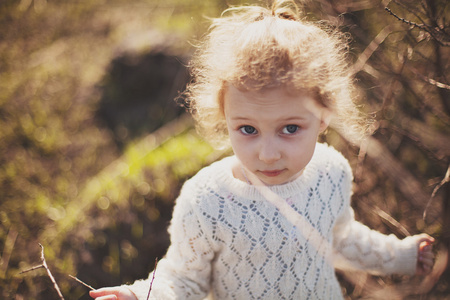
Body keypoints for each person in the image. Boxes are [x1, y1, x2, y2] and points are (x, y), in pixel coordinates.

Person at [90, 0, 435, 299]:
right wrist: (141, 295)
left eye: (290, 129)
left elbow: (342, 240)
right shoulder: (208, 198)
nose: (267, 153)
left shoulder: (331, 172)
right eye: (248, 129)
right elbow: (183, 277)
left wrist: (401, 255)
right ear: (224, 117)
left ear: (324, 116)